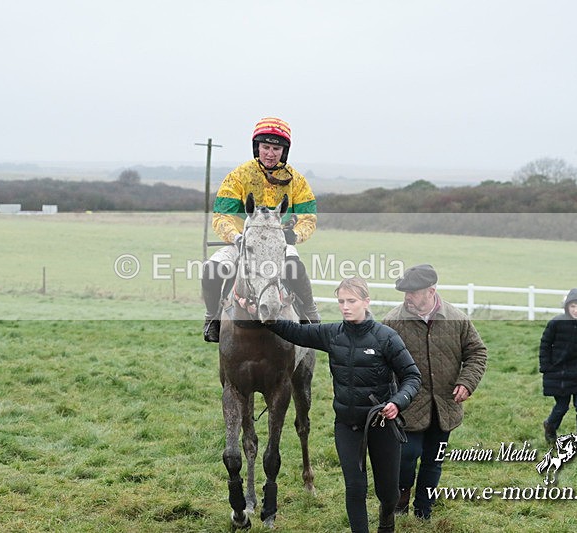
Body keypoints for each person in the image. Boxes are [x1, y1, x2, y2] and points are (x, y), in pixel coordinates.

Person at [265, 277, 421, 533]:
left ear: (366, 302)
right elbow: (296, 332)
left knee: (388, 490)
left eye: (351, 301)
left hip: (383, 423)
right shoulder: (332, 334)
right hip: (348, 426)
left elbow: (412, 377)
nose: (345, 306)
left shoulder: (386, 337)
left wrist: (397, 402)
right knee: (355, 488)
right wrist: (262, 316)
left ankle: (386, 522)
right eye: (341, 301)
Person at [381, 264, 487, 520]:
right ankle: (400, 502)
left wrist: (467, 382)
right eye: (405, 291)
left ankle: (423, 511)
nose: (407, 297)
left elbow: (477, 353)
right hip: (407, 407)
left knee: (433, 460)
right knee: (407, 457)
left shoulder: (457, 319)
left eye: (413, 292)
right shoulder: (392, 322)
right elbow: (381, 365)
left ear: (431, 291)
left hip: (445, 406)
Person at [201, 116, 319, 342]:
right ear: (257, 147)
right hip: (241, 243)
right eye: (266, 147)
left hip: (278, 246)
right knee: (211, 270)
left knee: (295, 266)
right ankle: (212, 318)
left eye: (276, 148)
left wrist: (293, 235)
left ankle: (310, 314)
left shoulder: (298, 181)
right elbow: (221, 216)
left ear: (284, 151)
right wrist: (235, 237)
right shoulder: (238, 176)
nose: (270, 153)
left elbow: (308, 219)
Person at [539, 288, 577, 453]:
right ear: (567, 307)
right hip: (558, 373)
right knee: (562, 406)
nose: (576, 310)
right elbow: (545, 344)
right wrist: (546, 367)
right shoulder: (556, 323)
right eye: (573, 306)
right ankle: (550, 426)